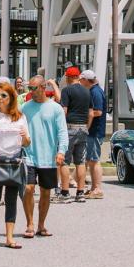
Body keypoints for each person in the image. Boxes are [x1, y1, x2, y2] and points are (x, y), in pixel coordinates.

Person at [0, 82, 30, 249]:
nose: (0, 98)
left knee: (11, 200)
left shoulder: (20, 117)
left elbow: (27, 143)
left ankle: (9, 237)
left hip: (14, 163)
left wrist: (25, 137)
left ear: (11, 98)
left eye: (4, 95)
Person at [22, 75, 68, 238]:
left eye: (34, 88)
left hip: (48, 157)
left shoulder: (55, 108)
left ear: (43, 88)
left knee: (46, 192)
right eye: (29, 88)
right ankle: (30, 223)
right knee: (28, 188)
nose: (31, 92)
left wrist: (61, 151)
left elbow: (62, 132)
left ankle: (41, 225)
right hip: (29, 156)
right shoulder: (25, 108)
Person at [56, 66, 93, 204]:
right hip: (83, 128)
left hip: (69, 127)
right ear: (78, 77)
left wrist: (60, 128)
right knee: (81, 162)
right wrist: (86, 127)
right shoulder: (87, 91)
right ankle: (80, 192)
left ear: (68, 77)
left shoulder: (66, 90)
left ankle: (65, 193)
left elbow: (63, 111)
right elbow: (91, 113)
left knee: (65, 161)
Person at [80, 69, 106, 199]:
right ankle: (93, 188)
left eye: (81, 80)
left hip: (95, 130)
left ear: (86, 80)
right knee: (91, 160)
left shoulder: (95, 92)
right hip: (93, 130)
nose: (80, 82)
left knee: (94, 160)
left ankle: (97, 188)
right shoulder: (94, 90)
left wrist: (83, 116)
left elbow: (98, 112)